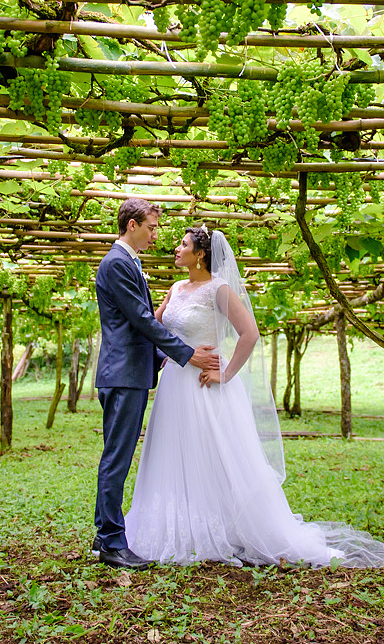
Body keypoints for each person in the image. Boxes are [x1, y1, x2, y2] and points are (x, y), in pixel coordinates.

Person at [124, 226, 384, 569]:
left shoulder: (218, 289)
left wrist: (226, 373)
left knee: (212, 456)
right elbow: (155, 327)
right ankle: (180, 527)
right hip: (176, 383)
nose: (176, 248)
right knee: (174, 452)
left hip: (206, 386)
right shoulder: (176, 288)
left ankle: (226, 529)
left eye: (183, 244)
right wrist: (172, 354)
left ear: (201, 254)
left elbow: (249, 333)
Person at [93, 199, 221, 570]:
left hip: (131, 371)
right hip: (123, 374)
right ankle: (112, 542)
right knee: (117, 457)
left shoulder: (128, 261)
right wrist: (186, 354)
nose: (155, 235)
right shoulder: (117, 263)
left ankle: (108, 535)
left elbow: (147, 319)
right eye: (151, 227)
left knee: (118, 454)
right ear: (132, 225)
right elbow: (142, 321)